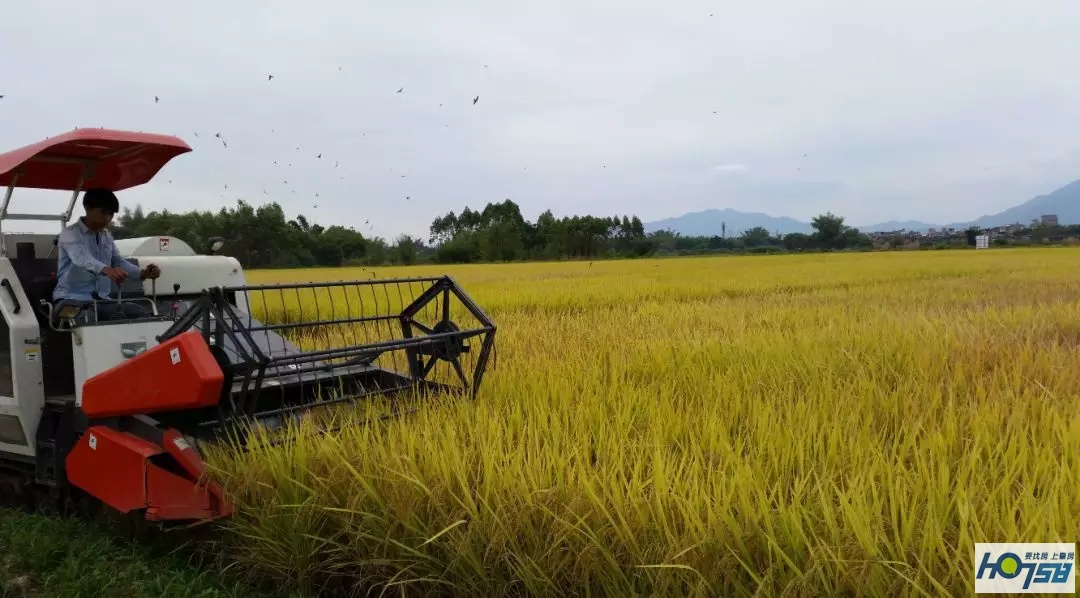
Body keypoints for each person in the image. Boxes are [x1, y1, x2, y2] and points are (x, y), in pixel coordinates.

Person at [52, 188, 161, 322]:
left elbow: (117, 261)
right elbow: (80, 258)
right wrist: (106, 269)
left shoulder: (106, 235)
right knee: (87, 319)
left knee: (138, 313)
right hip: (70, 299)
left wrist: (143, 273)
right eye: (103, 212)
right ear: (87, 208)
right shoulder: (69, 233)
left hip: (101, 300)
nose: (108, 218)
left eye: (111, 214)